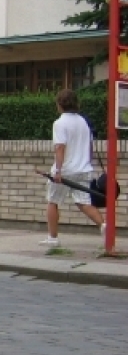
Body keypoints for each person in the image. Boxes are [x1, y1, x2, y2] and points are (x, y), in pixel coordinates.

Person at [40, 89, 104, 246]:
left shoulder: (59, 123)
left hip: (66, 171)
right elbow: (89, 148)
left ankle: (53, 238)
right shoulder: (84, 122)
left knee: (53, 201)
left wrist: (58, 171)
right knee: (84, 203)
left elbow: (60, 148)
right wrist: (87, 163)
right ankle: (104, 226)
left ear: (59, 104)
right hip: (83, 169)